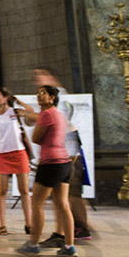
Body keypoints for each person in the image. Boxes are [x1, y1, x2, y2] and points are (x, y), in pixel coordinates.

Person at [30, 67, 92, 243]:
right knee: (63, 199)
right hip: (65, 157)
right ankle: (68, 237)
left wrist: (29, 115)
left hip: (62, 157)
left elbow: (39, 134)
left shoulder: (58, 101)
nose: (37, 80)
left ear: (52, 77)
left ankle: (71, 232)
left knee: (61, 198)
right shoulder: (55, 102)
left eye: (40, 76)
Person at [16, 86, 77, 257]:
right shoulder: (58, 114)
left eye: (43, 93)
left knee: (37, 203)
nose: (39, 95)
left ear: (52, 98)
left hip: (51, 163)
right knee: (63, 204)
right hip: (64, 163)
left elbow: (35, 138)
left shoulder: (47, 114)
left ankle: (33, 244)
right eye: (38, 93)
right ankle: (69, 246)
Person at [0, 87, 33, 236]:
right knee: (2, 191)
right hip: (2, 155)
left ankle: (29, 223)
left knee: (24, 190)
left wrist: (17, 100)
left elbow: (30, 111)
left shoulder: (15, 112)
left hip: (19, 153)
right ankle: (2, 225)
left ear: (5, 98)